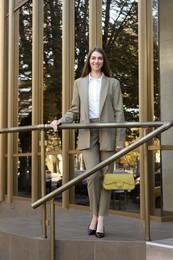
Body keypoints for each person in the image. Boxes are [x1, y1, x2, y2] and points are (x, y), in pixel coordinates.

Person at [50, 47, 125, 238]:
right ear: (89, 61)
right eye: (93, 58)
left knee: (106, 178)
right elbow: (74, 110)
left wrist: (120, 139)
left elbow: (119, 113)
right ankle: (94, 214)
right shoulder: (79, 83)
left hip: (107, 131)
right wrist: (60, 121)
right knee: (93, 176)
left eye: (100, 58)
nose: (97, 61)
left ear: (103, 61)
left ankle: (100, 219)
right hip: (87, 132)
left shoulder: (113, 83)